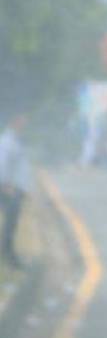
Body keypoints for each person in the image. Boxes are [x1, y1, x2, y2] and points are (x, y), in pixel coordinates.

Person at [0, 114, 33, 269]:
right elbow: (2, 164)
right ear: (14, 122)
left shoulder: (15, 141)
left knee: (11, 224)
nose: (24, 124)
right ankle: (9, 257)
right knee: (10, 225)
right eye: (21, 121)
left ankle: (9, 255)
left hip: (15, 189)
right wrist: (5, 185)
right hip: (9, 190)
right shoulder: (7, 141)